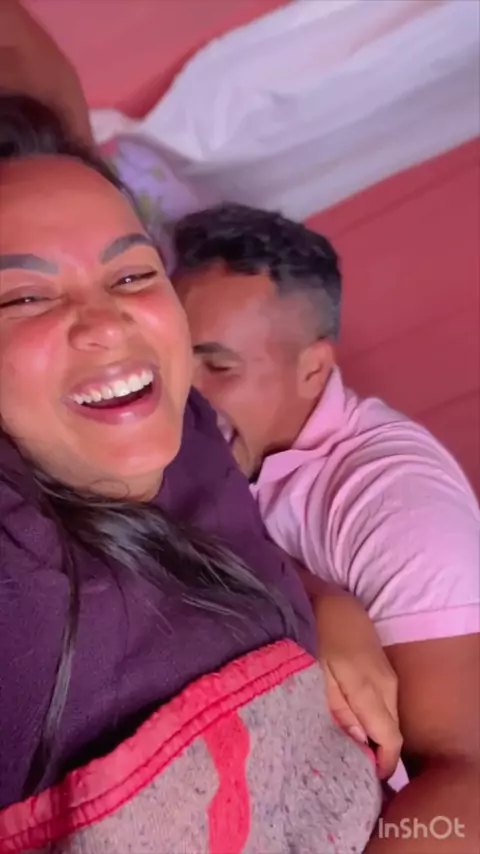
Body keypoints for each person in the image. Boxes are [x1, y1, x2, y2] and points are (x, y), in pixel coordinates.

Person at [0, 94, 384, 854]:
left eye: (132, 276)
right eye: (24, 296)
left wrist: (321, 600)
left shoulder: (192, 433)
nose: (108, 322)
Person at [173, 202, 480, 853]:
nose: (183, 397)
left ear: (313, 368)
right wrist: (315, 597)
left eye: (218, 367)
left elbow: (466, 781)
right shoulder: (207, 449)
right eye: (174, 359)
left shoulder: (393, 500)